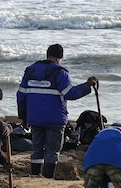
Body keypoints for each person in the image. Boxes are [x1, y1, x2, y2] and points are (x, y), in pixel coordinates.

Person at [16, 44, 97, 178]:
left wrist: (24, 116)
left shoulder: (30, 72)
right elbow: (71, 93)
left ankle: (35, 176)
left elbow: (21, 95)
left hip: (35, 118)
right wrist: (87, 86)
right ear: (59, 58)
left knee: (37, 149)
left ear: (47, 55)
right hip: (55, 119)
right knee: (52, 151)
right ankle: (48, 177)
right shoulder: (60, 73)